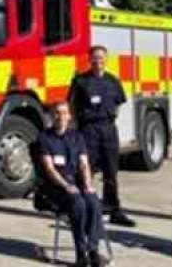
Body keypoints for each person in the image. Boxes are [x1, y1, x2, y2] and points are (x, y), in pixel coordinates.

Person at [67, 45, 135, 227]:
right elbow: (72, 106)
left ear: (106, 59)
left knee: (111, 171)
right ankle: (82, 209)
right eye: (95, 58)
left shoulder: (113, 80)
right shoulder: (81, 81)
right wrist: (77, 125)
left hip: (108, 129)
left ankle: (113, 209)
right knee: (86, 169)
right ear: (89, 60)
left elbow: (118, 103)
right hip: (88, 129)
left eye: (101, 58)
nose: (98, 61)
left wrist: (109, 118)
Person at [38, 102, 105, 267]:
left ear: (69, 116)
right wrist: (65, 186)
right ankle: (81, 253)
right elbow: (49, 169)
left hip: (76, 182)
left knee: (93, 201)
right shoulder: (45, 138)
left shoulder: (77, 136)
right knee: (78, 203)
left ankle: (93, 250)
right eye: (57, 113)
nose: (60, 117)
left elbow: (84, 164)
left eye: (64, 113)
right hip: (56, 187)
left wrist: (88, 184)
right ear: (51, 116)